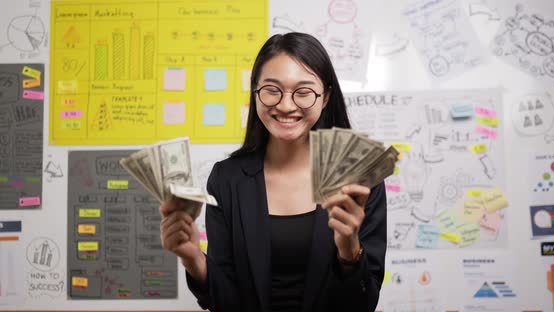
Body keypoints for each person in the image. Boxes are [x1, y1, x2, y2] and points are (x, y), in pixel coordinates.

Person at [160, 32, 387, 312]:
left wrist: (350, 251)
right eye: (271, 89)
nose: (286, 105)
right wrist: (194, 258)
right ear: (255, 92)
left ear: (325, 97)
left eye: (303, 92)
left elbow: (364, 305)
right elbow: (227, 303)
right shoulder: (227, 179)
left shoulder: (360, 180)